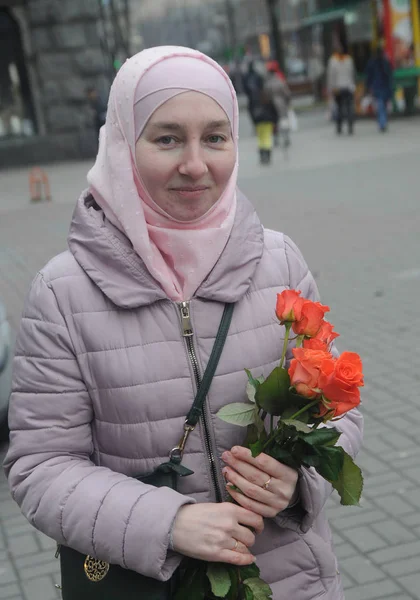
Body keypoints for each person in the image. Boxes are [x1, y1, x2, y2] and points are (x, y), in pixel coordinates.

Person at [4, 46, 363, 600]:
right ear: (123, 144)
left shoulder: (280, 262)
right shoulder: (62, 294)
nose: (196, 165)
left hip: (293, 583)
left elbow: (340, 406)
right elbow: (41, 466)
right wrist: (168, 522)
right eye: (168, 138)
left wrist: (300, 481)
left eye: (215, 137)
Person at [327, 40, 356, 135]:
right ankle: (350, 126)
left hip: (338, 88)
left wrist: (331, 88)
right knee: (348, 107)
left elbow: (331, 76)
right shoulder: (349, 60)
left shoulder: (333, 61)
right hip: (348, 87)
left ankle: (340, 126)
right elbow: (352, 74)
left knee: (340, 108)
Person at [366, 44, 393, 132]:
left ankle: (382, 121)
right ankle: (382, 123)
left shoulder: (383, 62)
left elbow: (369, 76)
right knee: (381, 106)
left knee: (382, 106)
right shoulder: (382, 62)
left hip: (380, 87)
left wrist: (369, 86)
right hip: (381, 87)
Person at [265, 60, 292, 148]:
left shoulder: (267, 82)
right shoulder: (280, 80)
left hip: (271, 105)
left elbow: (266, 94)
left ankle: (276, 138)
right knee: (283, 120)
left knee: (274, 122)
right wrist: (288, 101)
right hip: (281, 104)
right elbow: (287, 93)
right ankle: (286, 137)